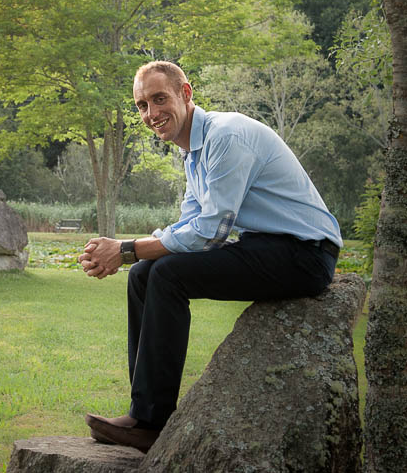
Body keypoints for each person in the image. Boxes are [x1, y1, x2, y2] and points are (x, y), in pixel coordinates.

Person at [77, 61, 341, 453]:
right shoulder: (193, 153)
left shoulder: (226, 135)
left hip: (306, 254)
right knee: (145, 274)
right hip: (267, 245)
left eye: (159, 99)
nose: (151, 114)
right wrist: (129, 254)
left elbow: (209, 231)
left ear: (186, 93)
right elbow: (189, 224)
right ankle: (142, 414)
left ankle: (151, 424)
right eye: (142, 105)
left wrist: (126, 249)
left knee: (165, 275)